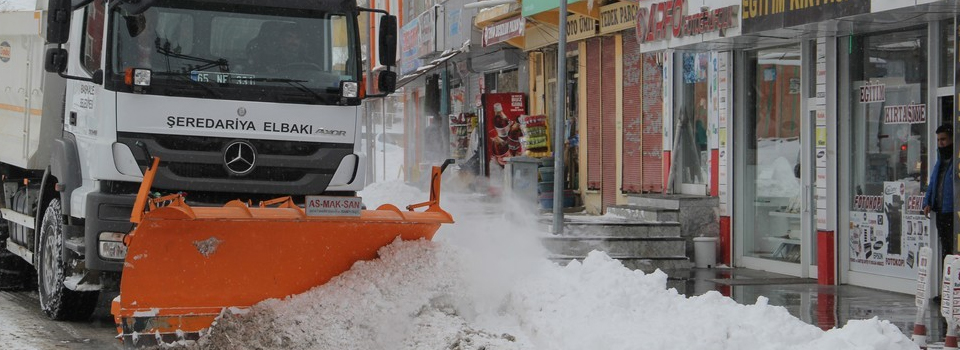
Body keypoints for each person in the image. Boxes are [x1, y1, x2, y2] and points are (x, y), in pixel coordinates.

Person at [923, 124, 954, 266]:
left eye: (944, 139)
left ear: (952, 139)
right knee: (946, 248)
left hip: (953, 211)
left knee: (953, 248)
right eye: (938, 140)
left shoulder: (955, 161)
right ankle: (947, 280)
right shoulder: (940, 161)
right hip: (941, 211)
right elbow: (933, 182)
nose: (941, 143)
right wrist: (927, 202)